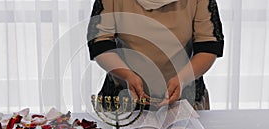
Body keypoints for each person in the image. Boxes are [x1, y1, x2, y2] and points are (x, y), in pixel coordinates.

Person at [87, 0, 224, 110]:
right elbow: (100, 43)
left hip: (185, 99)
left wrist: (182, 79)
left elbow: (208, 45)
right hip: (123, 99)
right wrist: (127, 75)